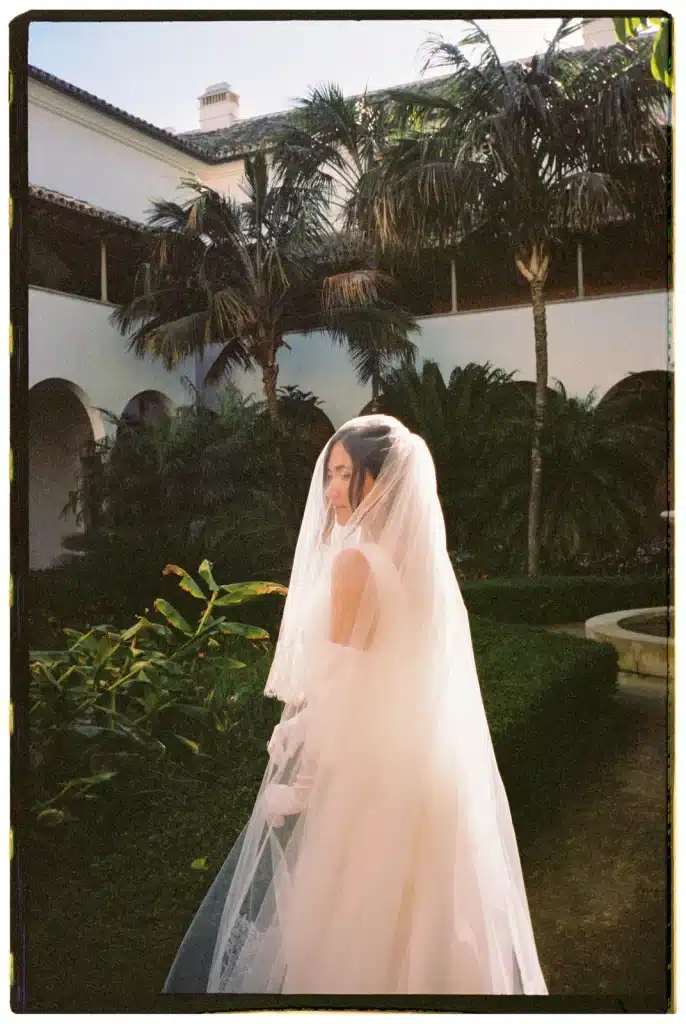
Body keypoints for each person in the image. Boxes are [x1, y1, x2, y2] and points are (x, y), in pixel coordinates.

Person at [163, 414, 548, 995]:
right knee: (425, 926)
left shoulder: (355, 564)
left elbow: (340, 688)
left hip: (366, 784)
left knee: (348, 933)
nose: (330, 490)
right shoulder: (420, 571)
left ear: (380, 482)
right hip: (423, 775)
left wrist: (301, 775)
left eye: (344, 474)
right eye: (331, 474)